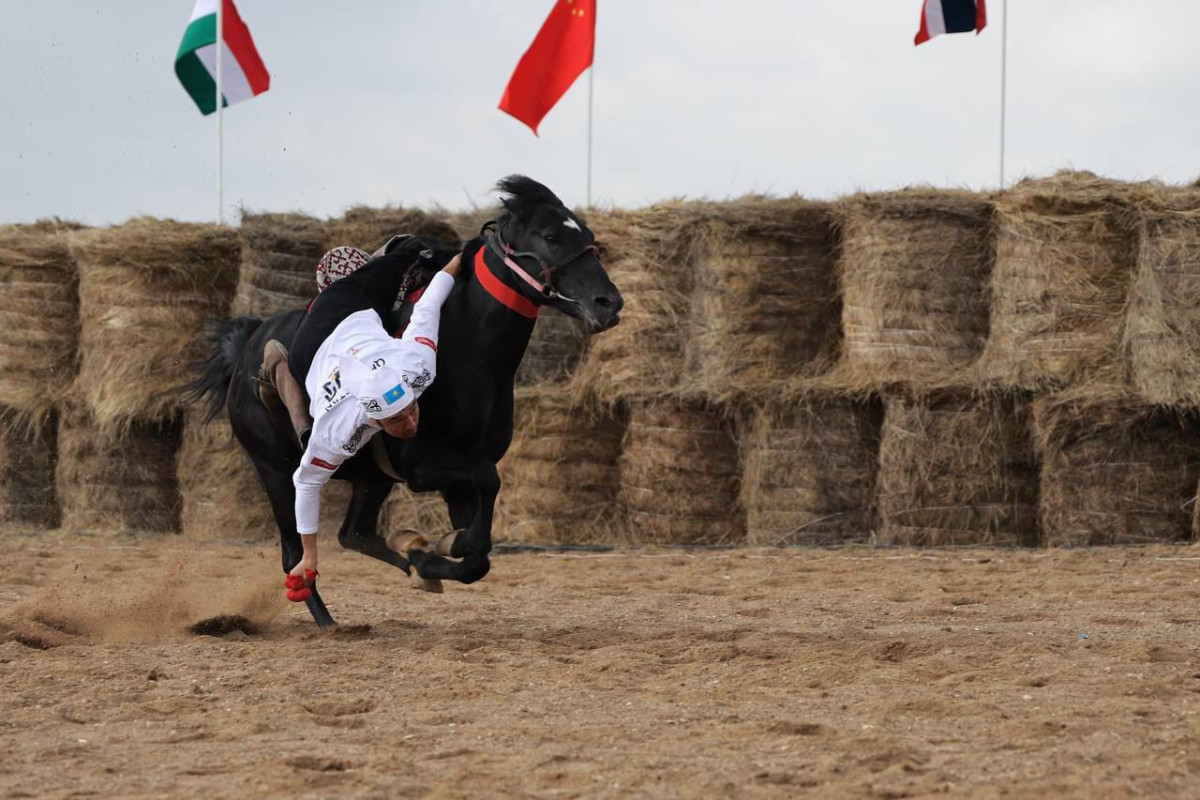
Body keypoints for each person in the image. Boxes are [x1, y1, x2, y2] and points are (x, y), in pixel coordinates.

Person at [268, 250, 462, 602]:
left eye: (411, 410)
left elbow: (428, 307)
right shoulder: (337, 429)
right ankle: (275, 366)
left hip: (361, 315)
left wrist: (458, 262)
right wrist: (309, 557)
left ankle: (383, 252)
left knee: (416, 250)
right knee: (294, 376)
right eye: (397, 421)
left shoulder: (418, 367)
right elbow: (306, 481)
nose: (410, 422)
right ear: (373, 419)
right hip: (318, 339)